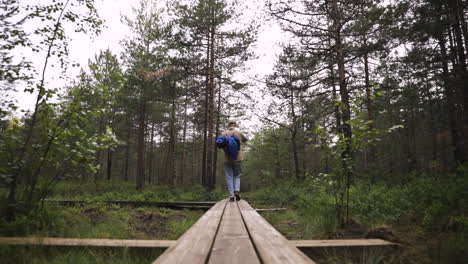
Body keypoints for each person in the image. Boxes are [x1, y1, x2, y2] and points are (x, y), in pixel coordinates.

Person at [222, 120, 248, 202]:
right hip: (238, 158)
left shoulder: (224, 133)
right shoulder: (238, 132)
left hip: (227, 159)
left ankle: (231, 196)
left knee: (229, 177)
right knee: (237, 176)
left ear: (228, 125)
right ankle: (237, 191)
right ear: (235, 125)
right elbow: (245, 140)